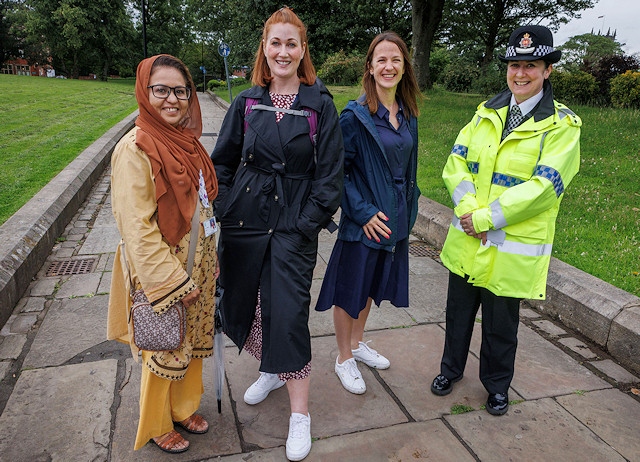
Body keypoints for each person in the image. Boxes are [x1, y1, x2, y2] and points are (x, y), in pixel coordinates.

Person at [210, 7, 343, 461]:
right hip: (245, 222)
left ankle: (299, 414)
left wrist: (305, 224)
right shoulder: (247, 102)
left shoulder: (319, 104)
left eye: (291, 43)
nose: (283, 51)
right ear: (264, 49)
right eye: (275, 43)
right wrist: (224, 205)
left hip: (293, 226)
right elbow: (221, 162)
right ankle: (271, 369)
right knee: (249, 300)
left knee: (288, 314)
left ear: (302, 50)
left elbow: (330, 178)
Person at [430, 25, 581, 416]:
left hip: (507, 248)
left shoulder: (562, 126)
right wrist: (467, 211)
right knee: (457, 313)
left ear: (547, 70)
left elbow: (544, 187)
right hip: (468, 238)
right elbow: (455, 161)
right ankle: (450, 370)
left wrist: (483, 218)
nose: (520, 73)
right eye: (515, 64)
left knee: (501, 325)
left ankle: (497, 386)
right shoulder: (486, 112)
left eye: (530, 65)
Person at [107, 54, 219, 453]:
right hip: (164, 272)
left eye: (180, 91)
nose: (172, 100)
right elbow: (136, 228)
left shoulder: (186, 143)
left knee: (193, 340)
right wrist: (172, 281)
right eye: (161, 90)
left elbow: (201, 205)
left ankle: (184, 407)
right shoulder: (135, 148)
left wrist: (209, 258)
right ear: (144, 92)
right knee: (165, 344)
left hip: (199, 263)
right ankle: (156, 423)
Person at [315, 31, 421, 395]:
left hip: (395, 219)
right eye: (382, 60)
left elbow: (410, 170)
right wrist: (362, 213)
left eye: (396, 59)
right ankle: (343, 357)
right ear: (370, 68)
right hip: (365, 221)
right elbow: (336, 171)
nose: (389, 66)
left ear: (404, 67)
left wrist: (409, 212)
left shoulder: (408, 114)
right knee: (351, 290)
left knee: (372, 286)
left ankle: (358, 345)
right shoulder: (355, 116)